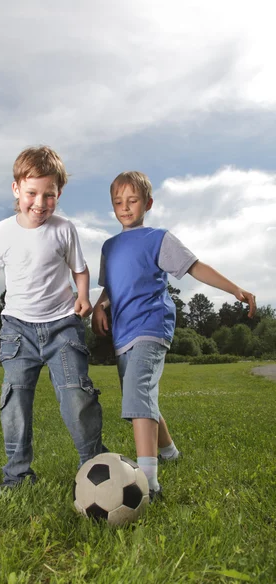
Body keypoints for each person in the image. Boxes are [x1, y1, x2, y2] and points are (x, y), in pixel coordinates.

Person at [92, 171, 256, 501]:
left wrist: (235, 288)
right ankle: (169, 454)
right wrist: (99, 306)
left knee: (137, 394)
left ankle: (148, 485)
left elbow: (195, 266)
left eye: (132, 201)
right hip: (123, 333)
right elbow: (112, 287)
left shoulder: (158, 238)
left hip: (152, 326)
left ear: (148, 203)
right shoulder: (109, 247)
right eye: (118, 202)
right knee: (140, 399)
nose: (125, 207)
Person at [0, 146, 105, 489]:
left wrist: (83, 296)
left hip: (63, 327)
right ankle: (17, 475)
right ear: (16, 190)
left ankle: (95, 468)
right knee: (14, 403)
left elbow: (80, 271)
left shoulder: (64, 229)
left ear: (59, 194)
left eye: (48, 195)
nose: (40, 203)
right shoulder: (1, 232)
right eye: (32, 193)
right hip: (18, 331)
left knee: (76, 397)